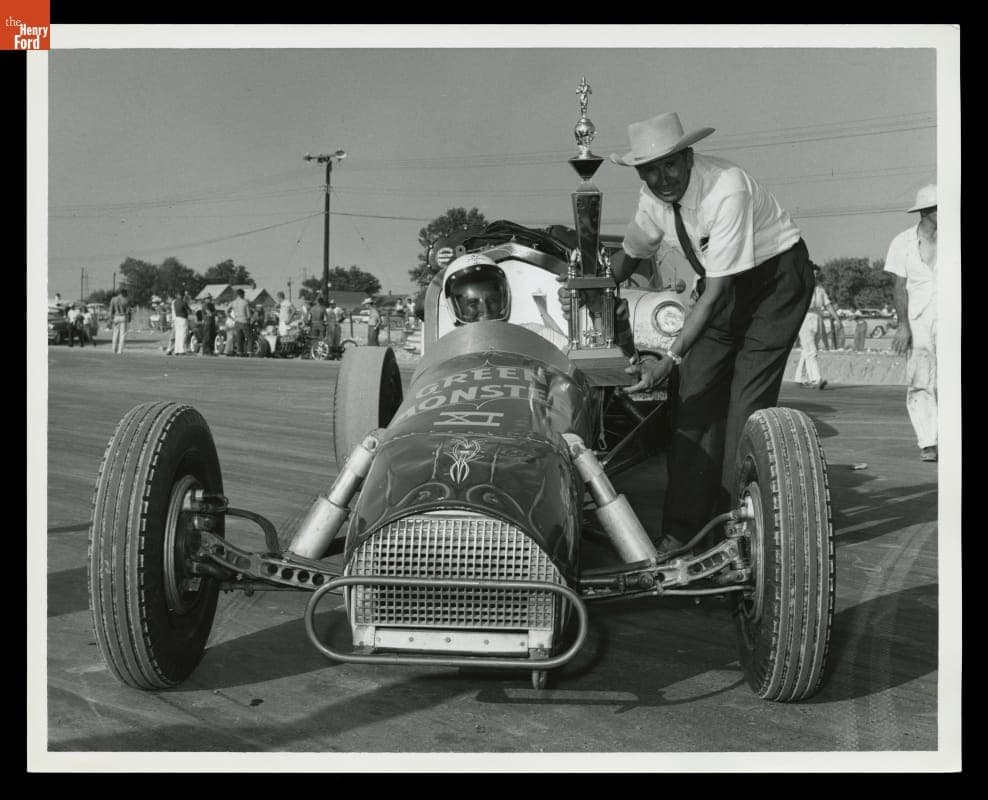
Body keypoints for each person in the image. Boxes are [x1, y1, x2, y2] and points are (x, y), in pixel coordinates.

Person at [600, 111, 814, 554]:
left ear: (689, 156)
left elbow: (714, 295)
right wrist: (588, 286)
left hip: (775, 283)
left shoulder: (726, 187)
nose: (662, 178)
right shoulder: (651, 199)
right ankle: (682, 533)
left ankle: (740, 533)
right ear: (640, 173)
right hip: (723, 286)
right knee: (693, 401)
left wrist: (669, 359)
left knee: (744, 409)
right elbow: (630, 254)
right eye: (650, 170)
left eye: (670, 165)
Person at [885, 183, 938, 463]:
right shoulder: (902, 242)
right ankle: (928, 441)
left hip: (949, 317)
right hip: (918, 320)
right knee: (920, 380)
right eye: (939, 208)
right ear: (926, 211)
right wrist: (902, 325)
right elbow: (899, 286)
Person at [794, 265, 840, 389]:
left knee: (807, 351)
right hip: (805, 318)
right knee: (811, 351)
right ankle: (816, 378)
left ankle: (800, 377)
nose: (814, 276)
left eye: (816, 273)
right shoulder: (801, 287)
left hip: (817, 319)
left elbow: (828, 305)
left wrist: (837, 319)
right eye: (812, 273)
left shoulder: (820, 288)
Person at [443, 253, 511, 323]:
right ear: (455, 308)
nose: (485, 311)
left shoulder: (518, 332)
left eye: (492, 300)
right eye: (473, 304)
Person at [228, 288, 251, 357]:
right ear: (242, 294)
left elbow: (226, 311)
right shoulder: (245, 302)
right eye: (244, 294)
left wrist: (232, 318)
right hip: (244, 321)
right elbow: (249, 315)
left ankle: (239, 352)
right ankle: (250, 352)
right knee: (249, 338)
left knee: (239, 338)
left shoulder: (233, 302)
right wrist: (249, 321)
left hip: (237, 322)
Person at [108, 288, 130, 353]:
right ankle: (120, 350)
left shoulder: (113, 299)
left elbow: (110, 309)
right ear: (124, 293)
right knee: (122, 334)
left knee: (115, 333)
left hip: (116, 317)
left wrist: (110, 318)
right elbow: (128, 311)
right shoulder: (125, 300)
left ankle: (113, 349)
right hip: (123, 316)